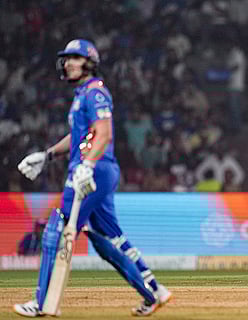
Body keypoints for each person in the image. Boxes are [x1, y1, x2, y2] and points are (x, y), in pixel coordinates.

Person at [14, 39, 171, 317]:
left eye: (75, 58)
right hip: (95, 169)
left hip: (92, 171)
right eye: (66, 58)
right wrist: (46, 155)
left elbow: (104, 133)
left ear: (90, 62)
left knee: (57, 227)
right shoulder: (81, 95)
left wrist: (87, 165)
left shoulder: (95, 94)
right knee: (106, 239)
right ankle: (154, 292)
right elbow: (78, 137)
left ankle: (42, 303)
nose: (69, 63)